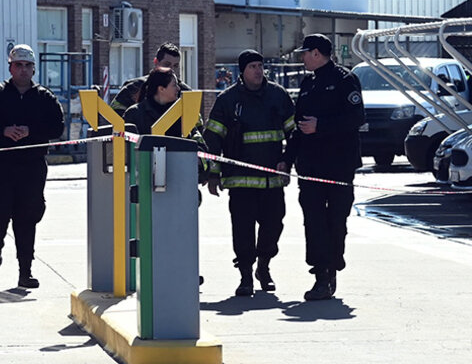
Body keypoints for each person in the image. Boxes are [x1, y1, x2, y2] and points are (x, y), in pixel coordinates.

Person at [0, 44, 65, 288]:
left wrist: (31, 131)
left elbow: (57, 127)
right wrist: (3, 131)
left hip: (30, 167)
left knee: (27, 217)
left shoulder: (45, 97)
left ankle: (26, 271)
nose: (23, 70)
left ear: (34, 70)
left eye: (27, 66)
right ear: (10, 67)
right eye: (18, 65)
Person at [204, 50, 295, 296]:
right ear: (242, 71)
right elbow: (212, 140)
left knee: (273, 227)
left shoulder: (278, 95)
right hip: (240, 181)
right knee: (242, 230)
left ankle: (263, 267)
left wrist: (288, 162)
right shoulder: (227, 100)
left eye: (260, 66)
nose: (258, 71)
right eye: (252, 66)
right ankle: (246, 276)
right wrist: (213, 174)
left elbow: (293, 134)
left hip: (272, 182)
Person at [283, 34, 365, 301]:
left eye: (305, 53)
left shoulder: (344, 80)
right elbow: (298, 127)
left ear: (317, 53)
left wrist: (322, 126)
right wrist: (287, 158)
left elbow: (356, 117)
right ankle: (321, 273)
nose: (302, 58)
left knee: (336, 220)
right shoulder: (308, 84)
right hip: (311, 166)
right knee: (314, 222)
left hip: (338, 166)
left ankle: (331, 268)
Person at [110, 42, 188, 114]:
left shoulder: (185, 92)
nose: (171, 69)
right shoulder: (134, 87)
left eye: (176, 66)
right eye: (166, 64)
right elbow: (115, 114)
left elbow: (197, 123)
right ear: (156, 62)